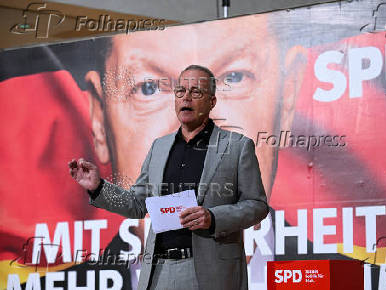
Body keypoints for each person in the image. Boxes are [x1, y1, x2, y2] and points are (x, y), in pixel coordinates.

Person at [69, 65, 269, 289]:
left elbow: (257, 205)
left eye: (196, 92)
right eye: (180, 92)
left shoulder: (237, 146)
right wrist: (98, 187)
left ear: (212, 102)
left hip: (210, 271)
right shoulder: (159, 147)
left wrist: (213, 218)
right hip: (160, 269)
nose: (186, 98)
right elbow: (136, 204)